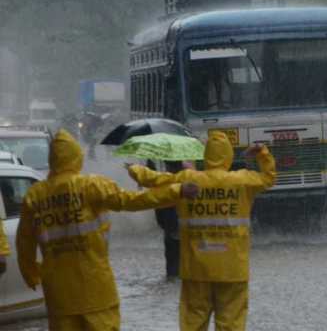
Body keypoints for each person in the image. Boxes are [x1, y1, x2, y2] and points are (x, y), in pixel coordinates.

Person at [15, 129, 198, 331]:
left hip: (59, 294)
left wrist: (30, 274)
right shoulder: (92, 186)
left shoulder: (35, 195)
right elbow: (134, 201)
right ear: (77, 157)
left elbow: (24, 241)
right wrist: (177, 191)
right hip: (96, 288)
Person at [127, 131, 276, 331]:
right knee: (231, 324)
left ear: (205, 155)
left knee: (193, 323)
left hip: (196, 268)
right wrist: (262, 153)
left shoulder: (188, 179)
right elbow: (268, 178)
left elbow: (158, 180)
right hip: (232, 269)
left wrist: (135, 170)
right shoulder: (242, 181)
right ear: (229, 155)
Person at [156, 161, 184, 279]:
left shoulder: (164, 183)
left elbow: (158, 208)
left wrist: (164, 225)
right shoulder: (189, 180)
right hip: (186, 229)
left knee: (172, 263)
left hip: (170, 226)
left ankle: (172, 277)